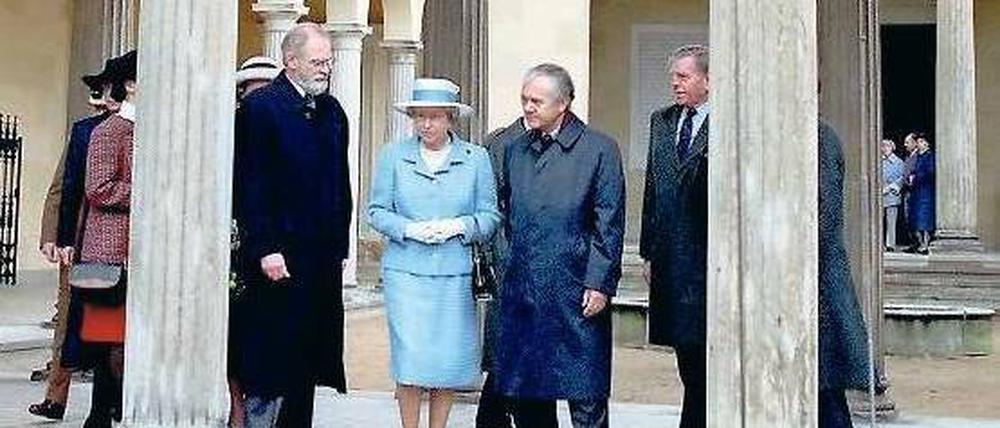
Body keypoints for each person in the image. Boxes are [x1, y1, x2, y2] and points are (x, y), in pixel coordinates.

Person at [490, 63, 625, 428]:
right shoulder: (515, 149)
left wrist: (599, 283)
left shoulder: (600, 149)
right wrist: (507, 265)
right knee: (529, 395)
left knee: (586, 394)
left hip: (576, 291)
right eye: (524, 99)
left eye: (536, 100)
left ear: (563, 103)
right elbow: (504, 213)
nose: (528, 107)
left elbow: (608, 222)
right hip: (525, 292)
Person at [234, 22, 352, 427]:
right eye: (318, 62)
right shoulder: (261, 108)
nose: (325, 69)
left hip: (319, 260)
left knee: (306, 359)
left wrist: (340, 248)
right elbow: (251, 184)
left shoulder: (332, 111)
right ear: (291, 61)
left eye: (329, 62)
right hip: (277, 258)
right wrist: (265, 246)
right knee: (272, 362)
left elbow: (340, 184)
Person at [368, 78, 500, 428]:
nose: (426, 124)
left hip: (454, 274)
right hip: (405, 272)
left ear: (450, 119)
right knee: (410, 360)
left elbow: (490, 216)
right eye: (419, 116)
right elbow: (377, 211)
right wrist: (408, 229)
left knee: (447, 361)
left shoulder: (476, 159)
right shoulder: (393, 156)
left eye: (435, 117)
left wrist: (459, 226)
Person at [27, 66, 113, 422]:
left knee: (108, 323)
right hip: (77, 239)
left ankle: (110, 399)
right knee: (66, 319)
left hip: (112, 241)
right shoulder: (83, 131)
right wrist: (52, 236)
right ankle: (56, 395)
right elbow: (60, 188)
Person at [61, 50, 136, 428]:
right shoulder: (109, 131)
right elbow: (98, 189)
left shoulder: (147, 130)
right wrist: (144, 191)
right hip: (109, 255)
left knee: (127, 341)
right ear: (131, 86)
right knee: (109, 340)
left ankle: (115, 408)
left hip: (136, 255)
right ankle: (100, 413)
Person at [639, 44, 710, 428]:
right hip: (670, 259)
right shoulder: (661, 122)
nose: (675, 84)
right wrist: (648, 251)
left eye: (683, 76)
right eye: (674, 77)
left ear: (708, 80)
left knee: (703, 358)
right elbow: (652, 186)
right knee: (686, 354)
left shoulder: (726, 125)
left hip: (707, 260)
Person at [228, 54, 281, 428]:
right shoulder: (229, 130)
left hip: (274, 253)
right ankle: (236, 407)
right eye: (252, 93)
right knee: (231, 341)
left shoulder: (289, 129)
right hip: (232, 253)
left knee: (266, 340)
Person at [817, 122, 871, 427]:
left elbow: (825, 216)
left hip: (819, 286)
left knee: (827, 391)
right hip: (800, 287)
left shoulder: (821, 138)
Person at [907, 133, 936, 255]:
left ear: (926, 143)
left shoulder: (929, 156)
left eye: (920, 142)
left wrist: (916, 177)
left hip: (926, 193)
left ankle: (925, 244)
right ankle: (919, 244)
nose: (917, 145)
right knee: (916, 220)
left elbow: (930, 172)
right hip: (917, 192)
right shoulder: (919, 156)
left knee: (924, 220)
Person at [881, 139, 906, 251]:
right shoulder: (878, 161)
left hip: (891, 195)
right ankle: (879, 244)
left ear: (892, 148)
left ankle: (890, 244)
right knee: (878, 221)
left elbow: (902, 177)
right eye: (883, 146)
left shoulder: (899, 162)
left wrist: (892, 187)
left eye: (887, 146)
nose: (885, 148)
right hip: (879, 195)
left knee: (891, 221)